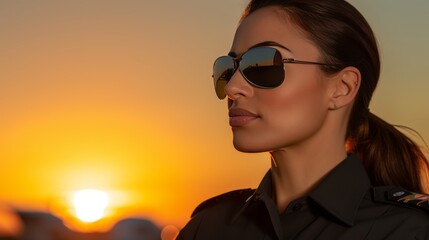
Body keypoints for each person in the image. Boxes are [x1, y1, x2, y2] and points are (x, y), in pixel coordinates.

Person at [177, 0, 429, 239]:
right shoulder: (206, 229)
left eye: (263, 65)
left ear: (342, 87)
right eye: (228, 68)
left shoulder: (409, 232)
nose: (232, 88)